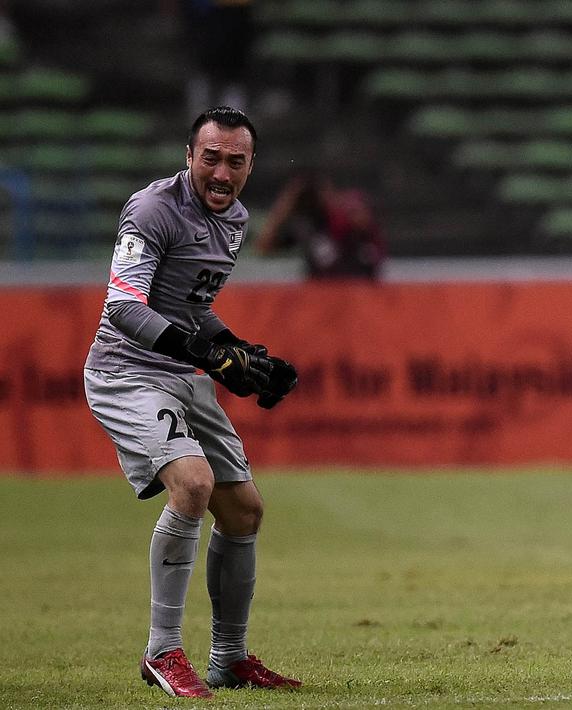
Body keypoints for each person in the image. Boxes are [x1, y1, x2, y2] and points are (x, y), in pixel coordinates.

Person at [83, 106, 301, 698]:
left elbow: (189, 307)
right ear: (189, 157)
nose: (222, 173)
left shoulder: (235, 221)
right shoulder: (153, 210)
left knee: (244, 512)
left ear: (251, 165)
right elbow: (123, 309)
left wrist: (242, 353)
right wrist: (209, 357)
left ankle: (228, 659)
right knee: (194, 485)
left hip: (179, 370)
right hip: (126, 370)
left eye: (236, 161)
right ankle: (162, 652)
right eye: (211, 158)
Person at [253, 170, 385, 279]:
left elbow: (364, 223)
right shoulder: (307, 226)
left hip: (357, 297)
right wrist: (287, 202)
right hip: (320, 299)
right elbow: (264, 246)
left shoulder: (348, 218)